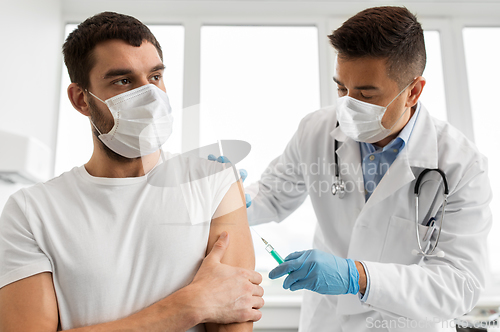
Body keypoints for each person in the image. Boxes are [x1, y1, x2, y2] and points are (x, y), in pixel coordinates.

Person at [0, 12, 263, 332]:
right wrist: (191, 305)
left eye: (154, 77)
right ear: (81, 99)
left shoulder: (214, 180)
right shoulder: (32, 211)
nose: (150, 96)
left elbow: (232, 319)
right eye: (123, 81)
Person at [241, 6, 491, 332]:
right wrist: (232, 197)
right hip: (326, 321)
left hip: (403, 324)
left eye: (365, 94)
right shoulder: (316, 129)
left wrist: (354, 276)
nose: (347, 105)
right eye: (341, 89)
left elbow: (460, 284)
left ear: (413, 91)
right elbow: (272, 196)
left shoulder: (461, 165)